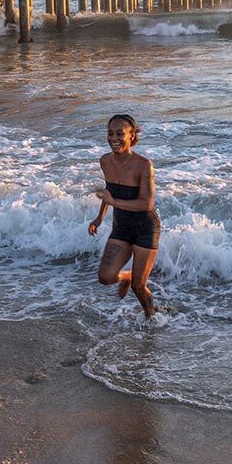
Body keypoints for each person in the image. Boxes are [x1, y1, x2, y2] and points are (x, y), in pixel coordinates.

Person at [90, 115, 161, 318]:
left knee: (139, 287)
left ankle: (152, 320)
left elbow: (146, 204)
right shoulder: (105, 161)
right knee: (105, 277)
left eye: (120, 134)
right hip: (121, 228)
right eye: (110, 133)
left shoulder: (143, 165)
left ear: (132, 136)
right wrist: (99, 218)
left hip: (145, 228)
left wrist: (114, 203)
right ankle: (128, 276)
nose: (114, 138)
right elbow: (108, 192)